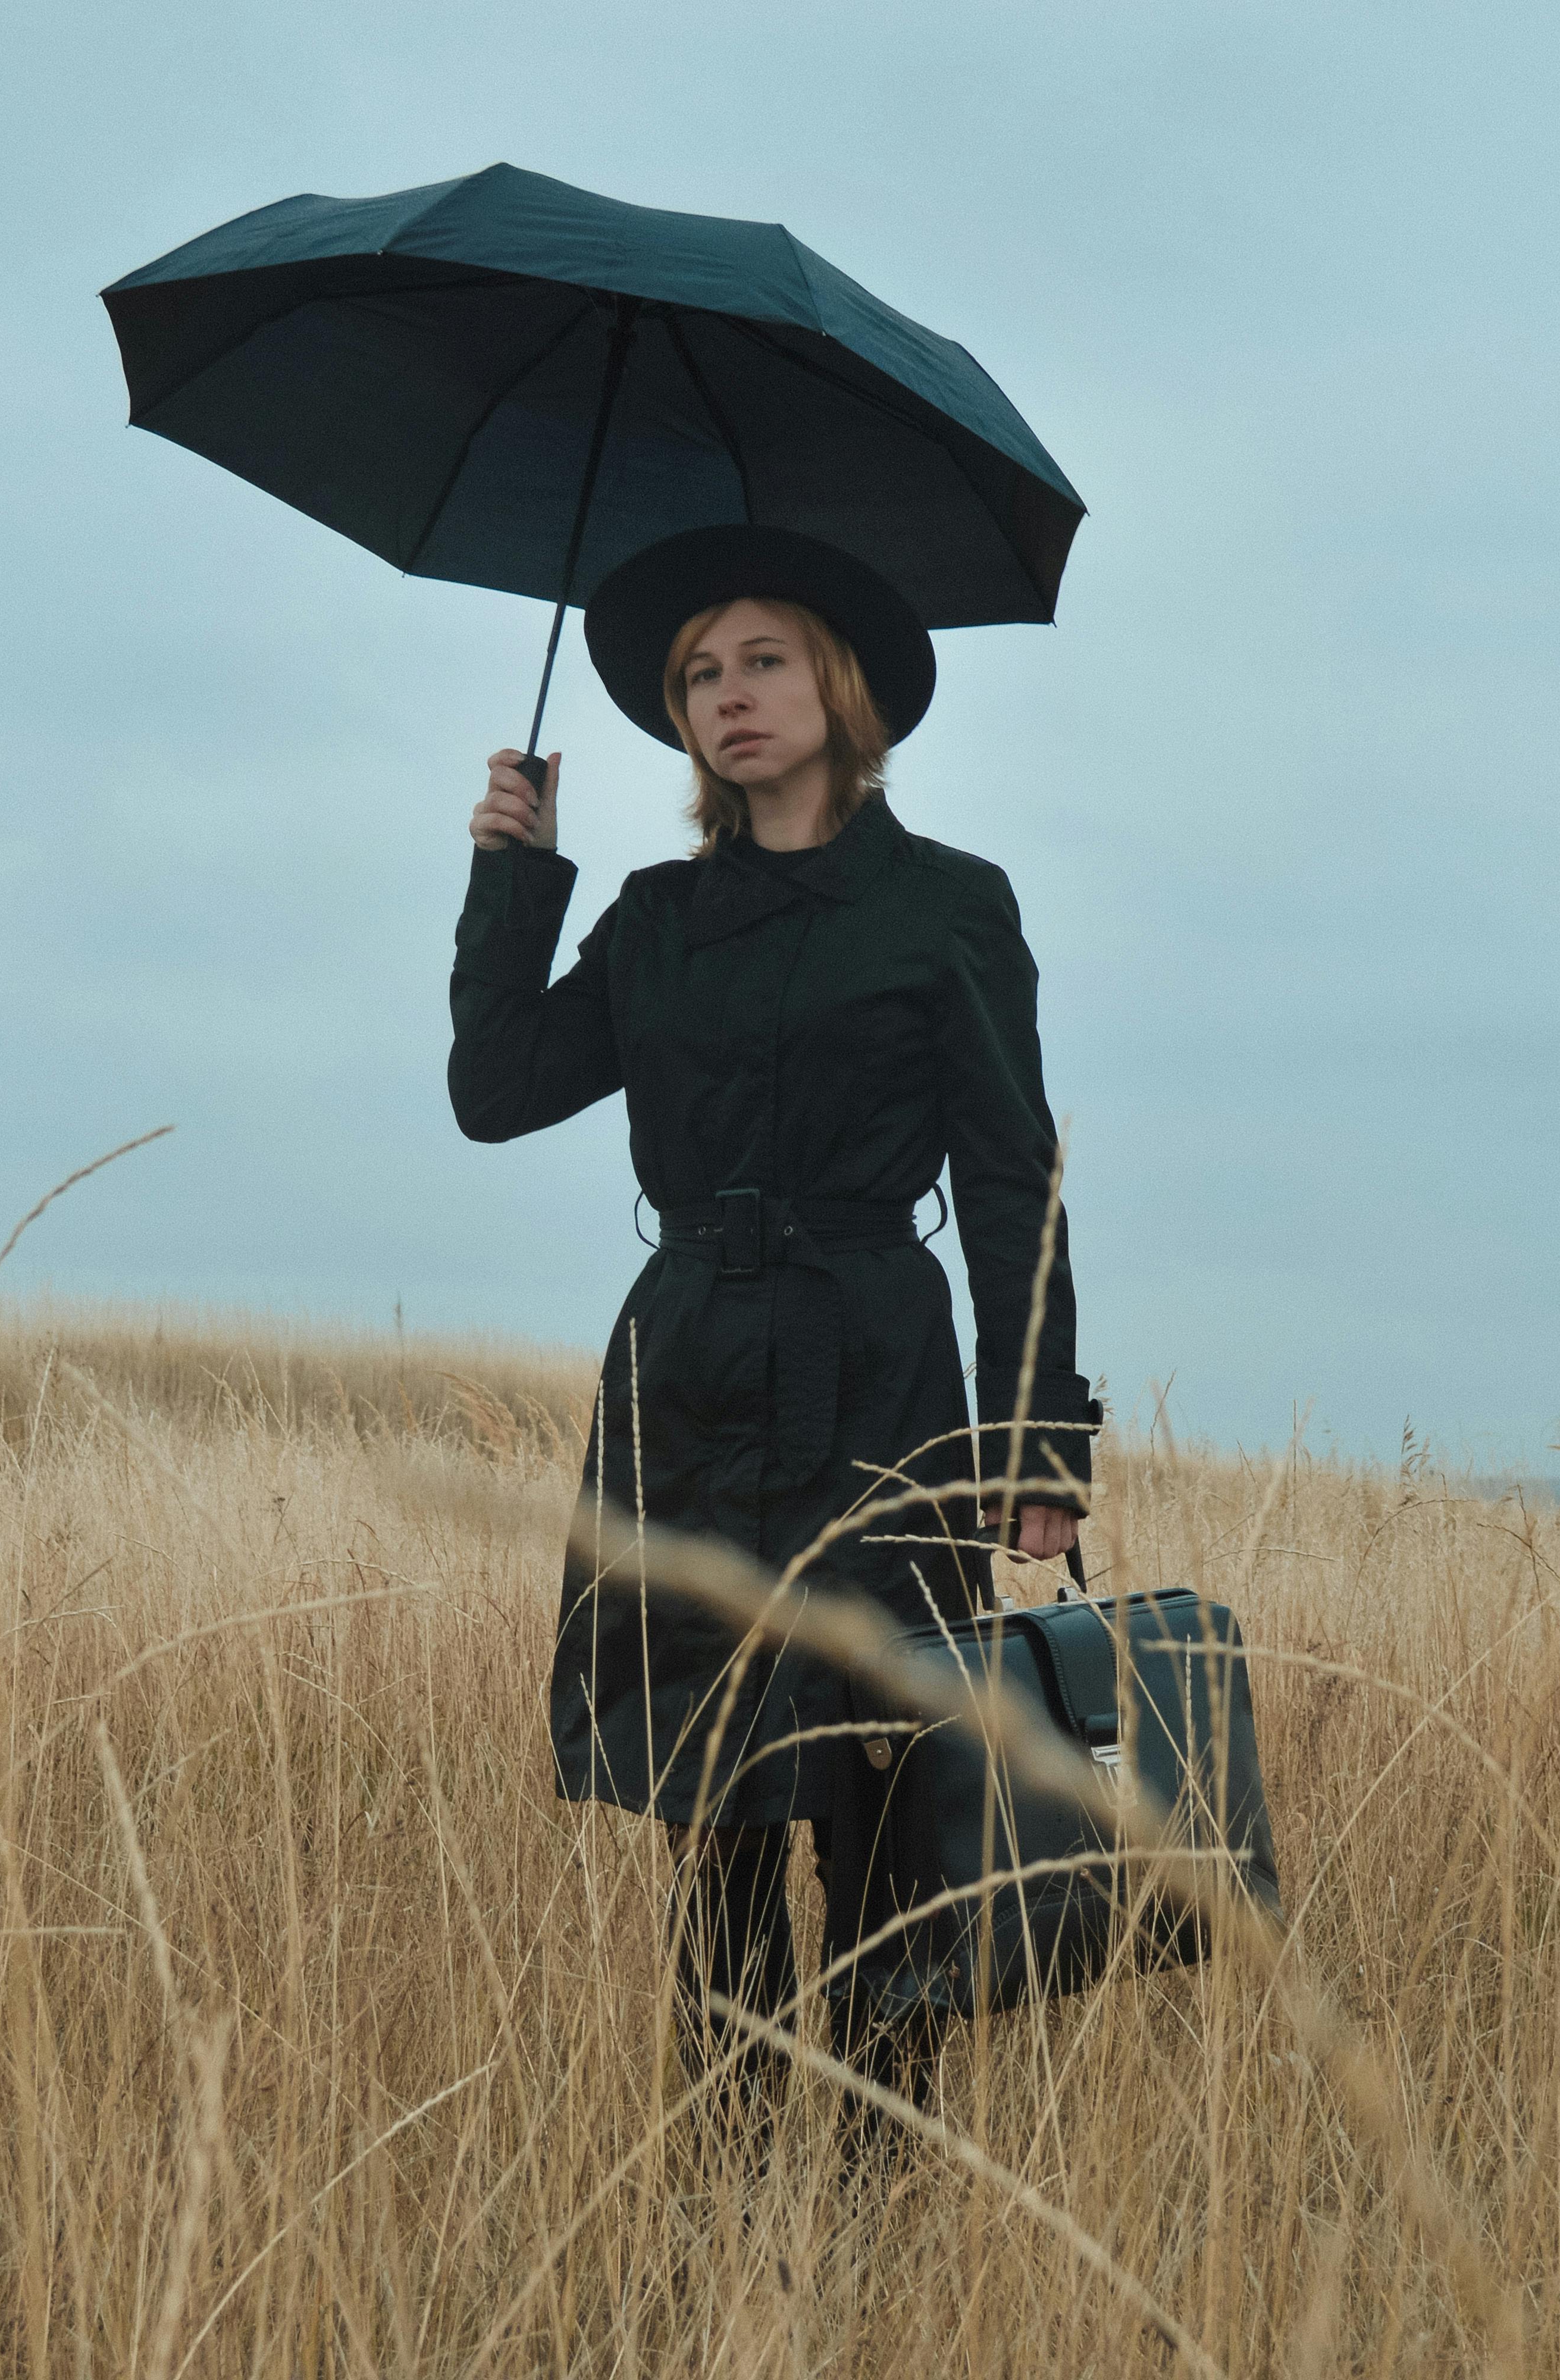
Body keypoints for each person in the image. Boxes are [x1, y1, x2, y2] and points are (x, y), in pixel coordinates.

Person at [446, 522, 1098, 2148]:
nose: (727, 698)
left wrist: (1037, 1444)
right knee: (717, 1806)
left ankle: (877, 2211)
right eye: (696, 677)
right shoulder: (660, 920)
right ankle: (731, 2211)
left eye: (762, 660)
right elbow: (497, 1091)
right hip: (685, 1377)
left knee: (884, 1802)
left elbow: (1015, 1180)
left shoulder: (949, 908)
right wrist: (512, 873)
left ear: (840, 684)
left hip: (877, 1367)